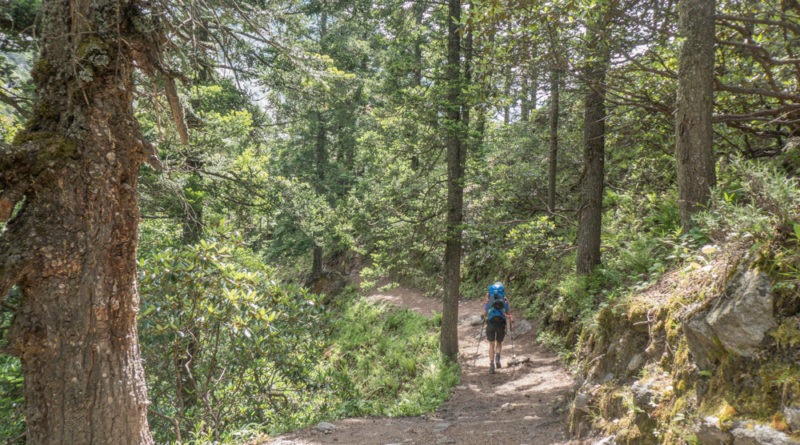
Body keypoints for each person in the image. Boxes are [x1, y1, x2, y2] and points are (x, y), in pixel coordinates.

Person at [484, 282, 510, 374]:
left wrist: (485, 316)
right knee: (499, 342)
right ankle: (498, 357)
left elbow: (486, 312)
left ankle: (491, 365)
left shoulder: (488, 299)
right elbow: (507, 311)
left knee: (491, 344)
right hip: (501, 322)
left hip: (491, 322)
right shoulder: (504, 299)